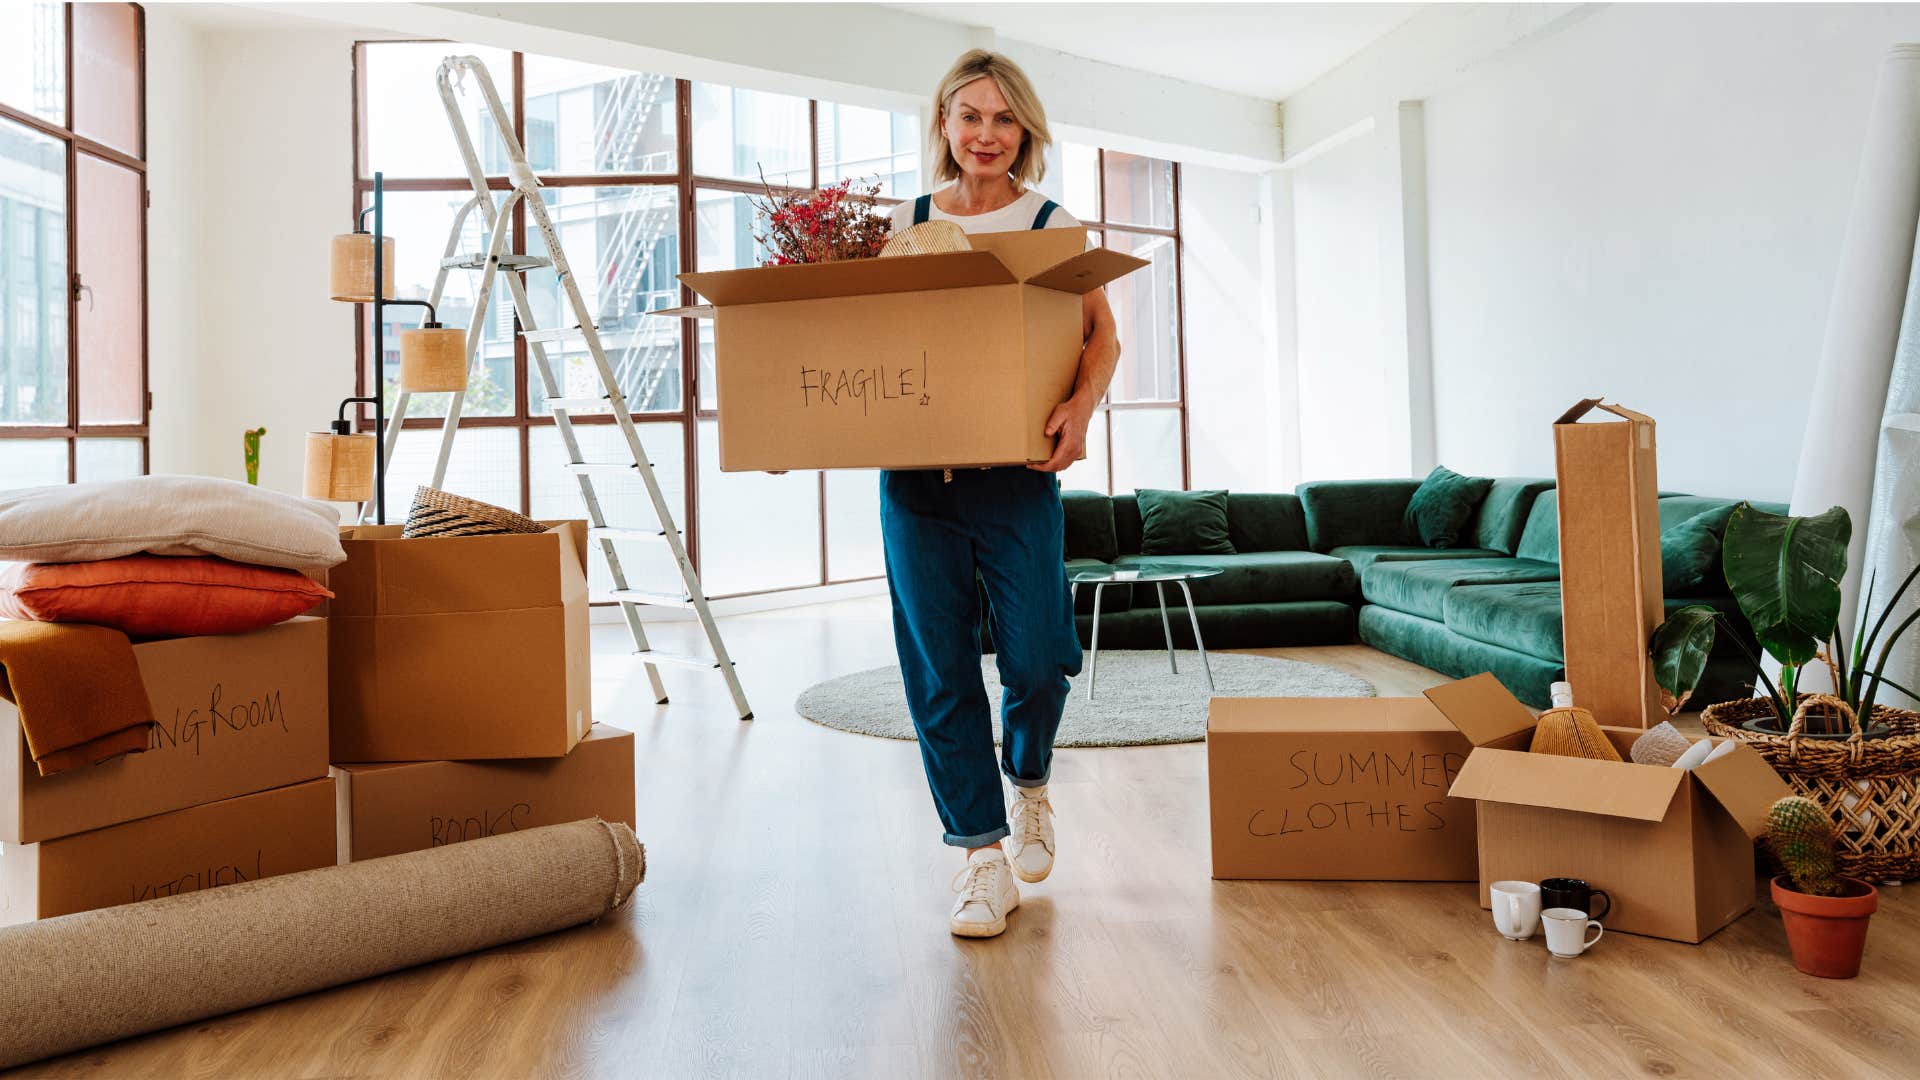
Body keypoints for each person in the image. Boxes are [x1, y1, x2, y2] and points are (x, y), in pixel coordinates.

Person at [881, 49, 1121, 939]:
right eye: (970, 116)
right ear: (943, 123)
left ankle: (1031, 782)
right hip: (916, 483)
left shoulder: (1053, 224)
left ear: (1026, 129)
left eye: (1004, 118)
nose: (986, 135)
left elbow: (1101, 336)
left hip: (1017, 478)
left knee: (1033, 656)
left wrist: (1080, 409)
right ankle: (981, 859)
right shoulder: (904, 227)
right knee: (939, 665)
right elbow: (864, 347)